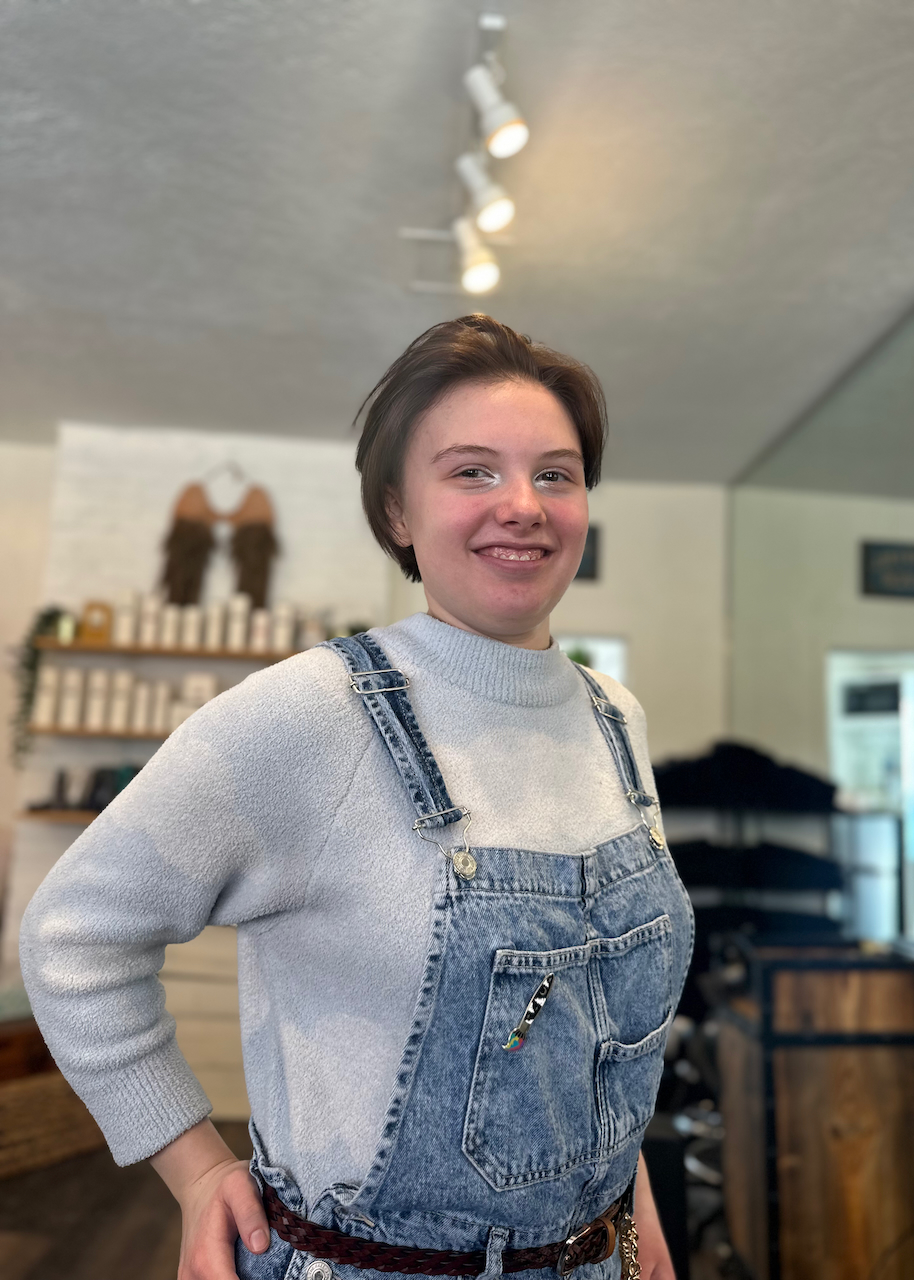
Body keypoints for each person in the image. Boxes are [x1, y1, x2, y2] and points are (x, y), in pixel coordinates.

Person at [21, 315, 693, 1280]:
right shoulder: (311, 714)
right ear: (396, 513)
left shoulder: (614, 719)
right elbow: (74, 936)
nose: (523, 505)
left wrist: (631, 1206)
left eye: (556, 473)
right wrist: (196, 1169)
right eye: (472, 472)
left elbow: (588, 1034)